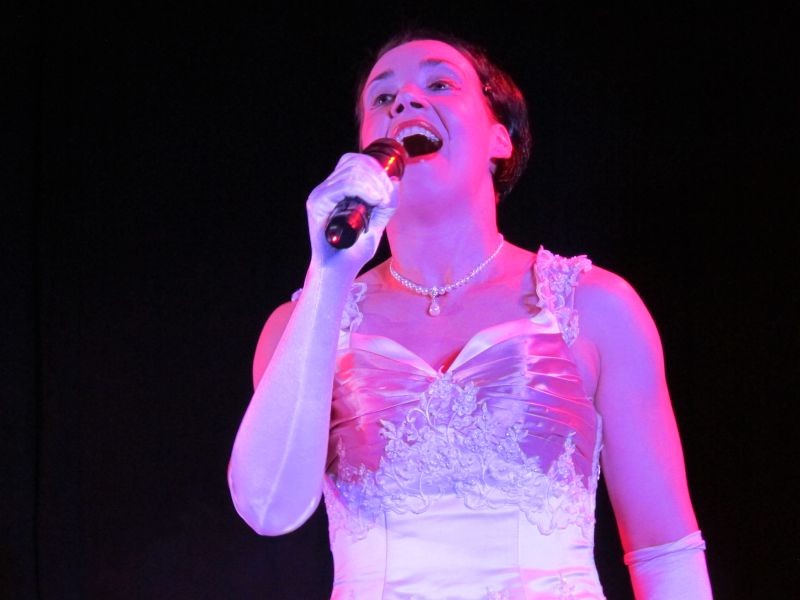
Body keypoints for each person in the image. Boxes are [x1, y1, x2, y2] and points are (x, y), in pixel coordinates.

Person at [228, 29, 713, 599]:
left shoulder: (595, 306)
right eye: (383, 97)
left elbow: (666, 554)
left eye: (439, 84)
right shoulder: (304, 325)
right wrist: (327, 274)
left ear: (500, 138)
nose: (405, 101)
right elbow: (267, 507)